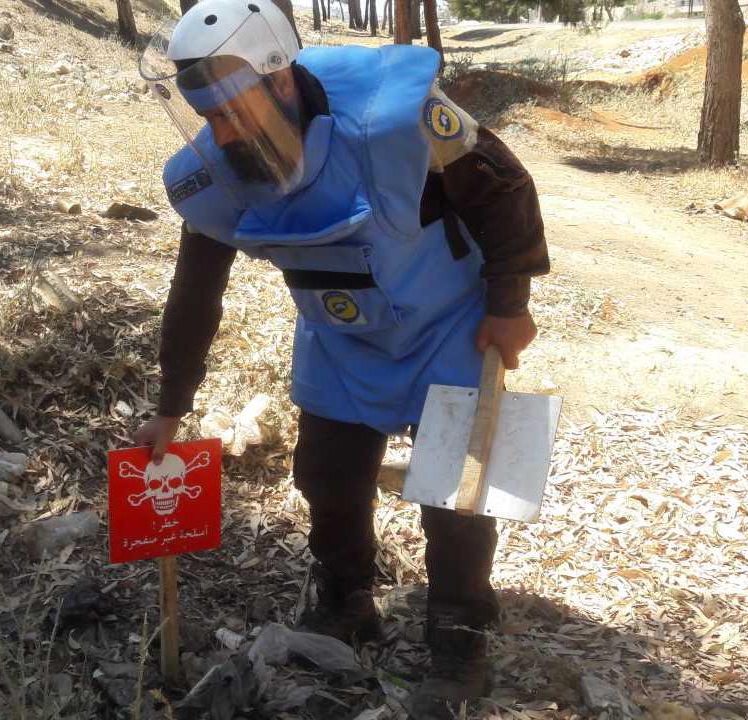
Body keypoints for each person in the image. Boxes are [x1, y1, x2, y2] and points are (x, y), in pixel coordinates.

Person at [134, 1, 549, 716]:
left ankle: (457, 641)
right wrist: (171, 404)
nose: (224, 133)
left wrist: (507, 304)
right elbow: (196, 290)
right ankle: (345, 599)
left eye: (235, 111)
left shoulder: (399, 115)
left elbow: (504, 188)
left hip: (446, 322)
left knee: (458, 489)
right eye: (209, 117)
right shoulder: (216, 169)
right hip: (338, 334)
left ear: (283, 81)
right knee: (324, 475)